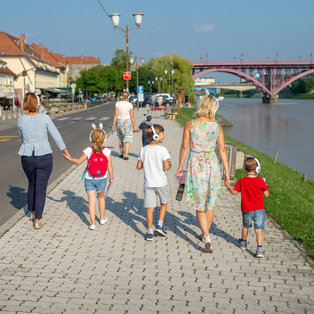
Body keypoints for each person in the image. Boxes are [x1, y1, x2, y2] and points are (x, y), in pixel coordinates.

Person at [176, 94, 230, 253]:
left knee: (199, 202)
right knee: (210, 202)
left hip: (196, 166)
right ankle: (205, 232)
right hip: (212, 166)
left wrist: (180, 166)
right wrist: (226, 171)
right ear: (213, 108)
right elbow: (222, 150)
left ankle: (206, 235)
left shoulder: (190, 124)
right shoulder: (216, 126)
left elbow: (184, 147)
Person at [18, 92, 70, 230]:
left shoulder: (21, 119)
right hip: (44, 156)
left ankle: (32, 212)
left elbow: (22, 137)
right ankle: (37, 220)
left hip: (27, 156)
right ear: (37, 103)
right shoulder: (45, 117)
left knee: (31, 184)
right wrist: (64, 149)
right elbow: (56, 135)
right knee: (40, 189)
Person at [63, 125, 113, 230]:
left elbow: (78, 162)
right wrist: (111, 177)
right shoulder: (106, 151)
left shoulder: (88, 150)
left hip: (89, 179)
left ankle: (92, 224)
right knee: (101, 198)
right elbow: (110, 166)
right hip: (102, 178)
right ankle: (102, 218)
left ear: (91, 138)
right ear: (104, 139)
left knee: (91, 202)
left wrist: (69, 158)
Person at [225, 156, 269, 258]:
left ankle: (243, 243)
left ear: (245, 169)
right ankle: (259, 250)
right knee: (258, 230)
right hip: (259, 210)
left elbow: (234, 192)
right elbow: (266, 195)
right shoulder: (260, 181)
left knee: (245, 226)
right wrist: (264, 187)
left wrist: (228, 186)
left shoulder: (242, 181)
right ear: (257, 169)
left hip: (246, 209)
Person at [136, 124, 171, 241]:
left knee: (150, 208)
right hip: (161, 182)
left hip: (148, 183)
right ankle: (160, 225)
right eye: (162, 134)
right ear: (156, 136)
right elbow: (167, 166)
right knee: (164, 203)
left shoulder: (143, 149)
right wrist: (169, 164)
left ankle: (150, 232)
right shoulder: (163, 150)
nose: (164, 136)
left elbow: (138, 167)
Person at [112, 91, 135, 160]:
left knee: (120, 139)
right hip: (127, 123)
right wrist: (133, 124)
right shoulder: (130, 105)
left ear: (122, 96)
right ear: (128, 97)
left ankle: (121, 154)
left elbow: (116, 114)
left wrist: (113, 124)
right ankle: (126, 155)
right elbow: (132, 116)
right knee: (127, 140)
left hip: (119, 122)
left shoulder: (118, 103)